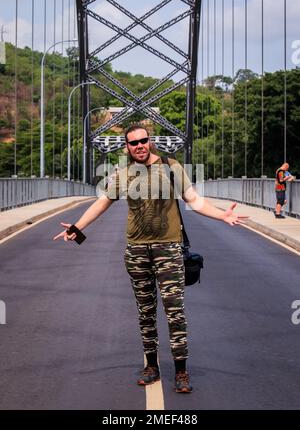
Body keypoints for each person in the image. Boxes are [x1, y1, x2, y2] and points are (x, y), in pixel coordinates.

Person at [53, 124, 248, 393]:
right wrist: (77, 227)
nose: (140, 146)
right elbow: (102, 202)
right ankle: (152, 366)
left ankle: (181, 371)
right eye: (134, 143)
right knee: (145, 312)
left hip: (168, 249)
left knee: (174, 311)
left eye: (144, 140)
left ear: (150, 141)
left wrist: (223, 214)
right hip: (136, 251)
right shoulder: (123, 174)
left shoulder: (171, 166)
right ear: (127, 147)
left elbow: (194, 200)